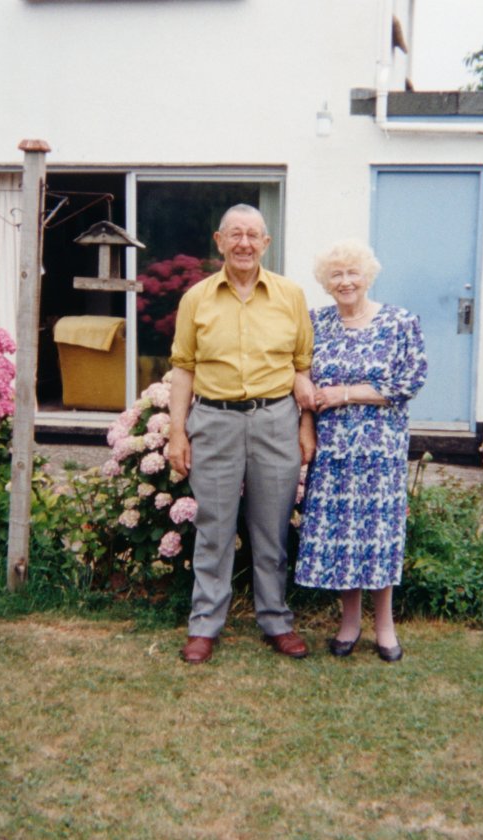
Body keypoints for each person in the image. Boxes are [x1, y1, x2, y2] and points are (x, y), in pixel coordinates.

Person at [166, 204, 317, 665]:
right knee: (213, 528)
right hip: (215, 422)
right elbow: (183, 367)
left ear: (266, 243)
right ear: (219, 241)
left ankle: (276, 620)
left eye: (253, 235)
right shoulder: (197, 298)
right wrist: (177, 433)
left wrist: (305, 426)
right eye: (235, 234)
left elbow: (302, 365)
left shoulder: (290, 295)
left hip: (276, 421)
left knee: (271, 528)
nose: (244, 243)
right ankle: (205, 625)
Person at [296, 239, 427, 662]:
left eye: (353, 273)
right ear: (326, 282)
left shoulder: (399, 322)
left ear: (367, 276)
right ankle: (349, 622)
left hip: (379, 448)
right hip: (333, 449)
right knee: (342, 534)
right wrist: (309, 425)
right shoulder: (316, 323)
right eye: (337, 274)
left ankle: (385, 626)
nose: (346, 281)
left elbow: (408, 382)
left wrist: (345, 394)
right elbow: (303, 381)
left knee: (379, 533)